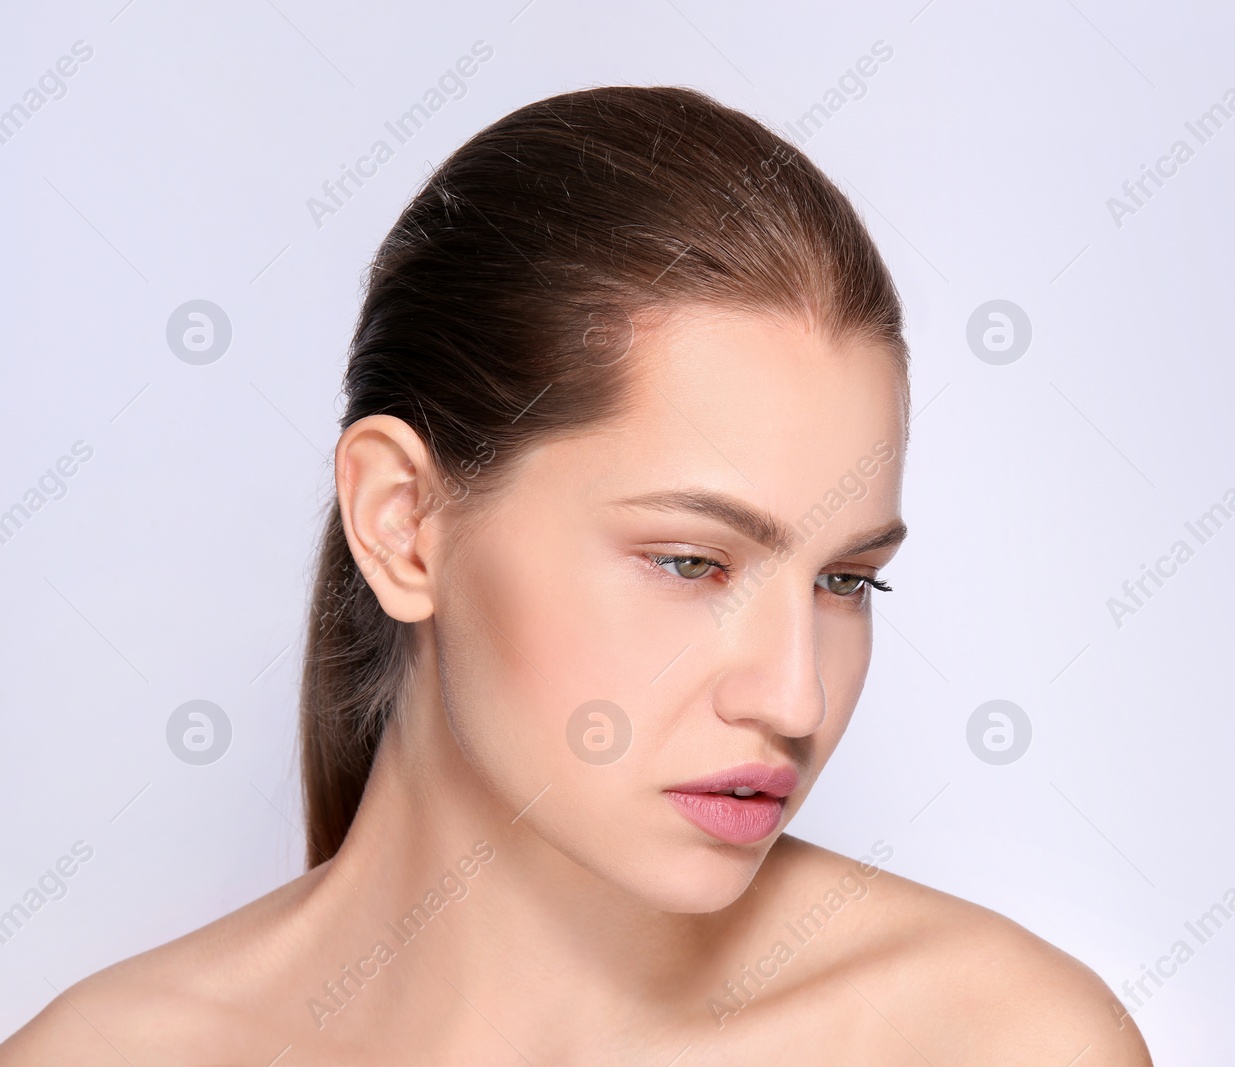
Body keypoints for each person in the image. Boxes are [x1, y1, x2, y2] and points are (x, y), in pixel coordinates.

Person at [2, 86, 1151, 1065]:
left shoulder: (994, 1039)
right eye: (691, 561)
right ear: (403, 523)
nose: (793, 699)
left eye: (845, 580)